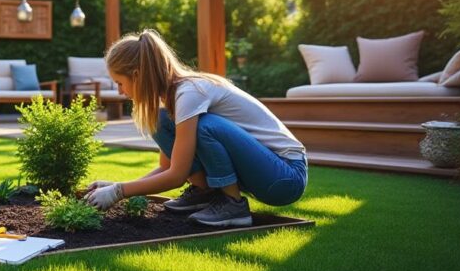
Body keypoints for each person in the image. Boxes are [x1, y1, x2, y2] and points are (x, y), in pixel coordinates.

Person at [82, 30, 307, 227]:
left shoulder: (189, 93)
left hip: (285, 176)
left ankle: (233, 204)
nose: (120, 92)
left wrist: (118, 191)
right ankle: (204, 192)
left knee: (205, 126)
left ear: (138, 76)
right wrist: (116, 188)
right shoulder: (170, 101)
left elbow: (177, 176)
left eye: (120, 83)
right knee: (160, 121)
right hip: (264, 171)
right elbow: (168, 168)